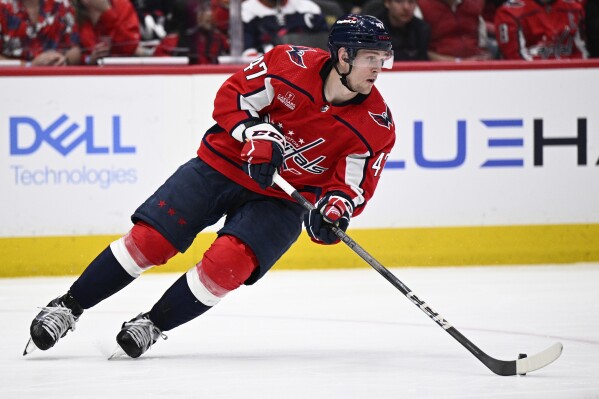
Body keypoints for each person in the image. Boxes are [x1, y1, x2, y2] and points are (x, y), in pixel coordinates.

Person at [24, 14, 397, 359]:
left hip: (282, 200)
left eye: (383, 58)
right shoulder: (289, 64)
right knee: (150, 241)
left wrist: (334, 211)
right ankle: (67, 306)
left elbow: (350, 188)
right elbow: (231, 98)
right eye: (371, 58)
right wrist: (254, 132)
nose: (379, 68)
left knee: (227, 265)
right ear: (344, 56)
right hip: (223, 164)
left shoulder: (375, 127)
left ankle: (152, 325)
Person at [494, 0, 588, 60]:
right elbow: (515, 60)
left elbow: (581, 53)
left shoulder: (574, 9)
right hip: (530, 79)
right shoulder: (509, 13)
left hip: (571, 74)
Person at [0, 0, 81, 66]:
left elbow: (75, 49)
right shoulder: (3, 7)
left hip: (56, 76)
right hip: (12, 79)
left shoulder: (61, 4)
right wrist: (30, 65)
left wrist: (64, 60)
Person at [242, 0, 330, 56]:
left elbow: (326, 44)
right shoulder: (244, 11)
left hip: (310, 66)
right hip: (269, 71)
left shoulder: (309, 8)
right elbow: (248, 54)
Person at [417, 0, 492, 61]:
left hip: (477, 68)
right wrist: (459, 62)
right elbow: (421, 53)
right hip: (440, 71)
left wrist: (485, 57)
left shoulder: (475, 4)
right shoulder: (421, 6)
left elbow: (483, 47)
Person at [75, 0, 141, 65]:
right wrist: (89, 59)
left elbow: (130, 46)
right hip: (88, 72)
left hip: (121, 67)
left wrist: (107, 12)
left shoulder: (122, 6)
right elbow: (73, 55)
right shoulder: (72, 11)